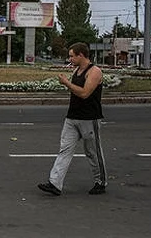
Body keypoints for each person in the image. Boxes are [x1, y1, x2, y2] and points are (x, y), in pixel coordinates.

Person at [38, 42, 107, 196]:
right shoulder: (76, 70)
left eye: (71, 56)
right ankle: (55, 183)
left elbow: (84, 93)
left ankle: (100, 182)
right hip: (72, 117)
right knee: (65, 150)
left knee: (92, 152)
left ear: (80, 55)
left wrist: (67, 83)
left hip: (89, 118)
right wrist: (68, 83)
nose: (69, 59)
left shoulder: (94, 71)